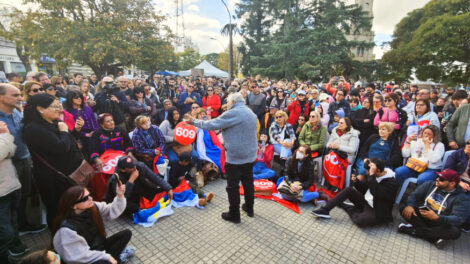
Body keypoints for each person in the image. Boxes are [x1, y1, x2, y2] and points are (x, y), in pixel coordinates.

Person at [186, 92, 258, 223]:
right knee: (248, 183)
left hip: (236, 156)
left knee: (233, 186)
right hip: (250, 154)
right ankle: (249, 208)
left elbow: (211, 124)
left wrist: (193, 121)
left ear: (234, 102)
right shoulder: (250, 112)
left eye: (228, 102)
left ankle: (234, 214)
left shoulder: (234, 112)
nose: (227, 105)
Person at [23, 94, 84, 228]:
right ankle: (58, 239)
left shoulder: (52, 122)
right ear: (40, 109)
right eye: (54, 107)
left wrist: (76, 131)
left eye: (58, 106)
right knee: (58, 210)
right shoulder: (34, 128)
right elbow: (61, 147)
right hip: (53, 179)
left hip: (68, 175)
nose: (59, 109)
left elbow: (69, 142)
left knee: (71, 207)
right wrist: (63, 131)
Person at [0, 84, 47, 237]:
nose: (20, 98)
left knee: (24, 195)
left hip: (25, 159)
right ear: (1, 97)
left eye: (20, 94)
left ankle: (23, 225)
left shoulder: (16, 112)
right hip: (7, 165)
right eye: (15, 95)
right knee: (12, 201)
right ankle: (11, 237)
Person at [53, 185, 134, 263]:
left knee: (126, 233)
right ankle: (116, 259)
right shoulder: (66, 230)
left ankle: (115, 259)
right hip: (87, 258)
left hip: (99, 247)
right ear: (73, 206)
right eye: (85, 198)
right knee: (105, 261)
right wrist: (106, 256)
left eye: (89, 195)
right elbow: (79, 256)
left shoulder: (92, 206)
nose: (90, 198)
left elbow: (112, 210)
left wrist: (120, 195)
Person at [312, 158, 398, 227]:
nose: (367, 173)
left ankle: (349, 208)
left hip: (377, 210)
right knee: (348, 190)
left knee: (360, 221)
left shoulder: (392, 183)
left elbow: (376, 193)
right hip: (366, 202)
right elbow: (367, 190)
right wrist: (356, 182)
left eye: (369, 171)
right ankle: (325, 210)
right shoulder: (374, 174)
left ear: (378, 170)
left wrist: (371, 176)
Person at [398, 169, 470, 249]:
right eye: (437, 177)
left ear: (452, 183)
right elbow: (414, 195)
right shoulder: (430, 184)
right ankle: (434, 238)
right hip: (423, 215)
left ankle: (413, 230)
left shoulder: (462, 198)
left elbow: (458, 219)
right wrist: (410, 205)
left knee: (455, 232)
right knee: (404, 207)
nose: (437, 179)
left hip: (440, 222)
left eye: (441, 179)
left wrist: (437, 217)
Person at [0, 121, 30, 261]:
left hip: (8, 185)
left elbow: (11, 150)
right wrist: (5, 135)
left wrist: (5, 140)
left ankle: (11, 250)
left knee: (11, 220)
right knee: (4, 231)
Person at [105, 156, 173, 216]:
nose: (134, 168)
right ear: (123, 170)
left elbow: (154, 177)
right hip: (129, 198)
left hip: (141, 190)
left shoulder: (139, 166)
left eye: (134, 165)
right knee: (128, 207)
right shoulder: (116, 178)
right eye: (131, 167)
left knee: (163, 190)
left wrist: (168, 188)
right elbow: (123, 197)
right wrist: (131, 180)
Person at [269, 110, 296, 175]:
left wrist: (291, 143)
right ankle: (285, 167)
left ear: (284, 117)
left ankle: (282, 167)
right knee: (288, 150)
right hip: (276, 145)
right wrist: (283, 143)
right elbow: (275, 136)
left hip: (287, 145)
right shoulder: (274, 124)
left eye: (280, 116)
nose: (278, 118)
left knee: (287, 140)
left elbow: (292, 135)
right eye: (277, 117)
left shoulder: (288, 125)